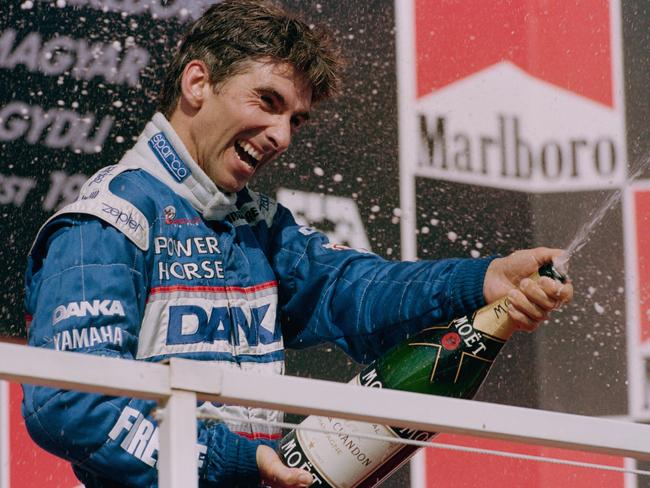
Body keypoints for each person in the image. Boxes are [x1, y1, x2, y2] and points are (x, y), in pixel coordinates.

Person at [21, 1, 573, 487]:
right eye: (267, 101)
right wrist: (230, 460)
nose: (283, 136)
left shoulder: (256, 226)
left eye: (296, 120)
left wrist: (479, 282)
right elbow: (70, 405)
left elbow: (355, 293)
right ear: (197, 84)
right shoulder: (109, 220)